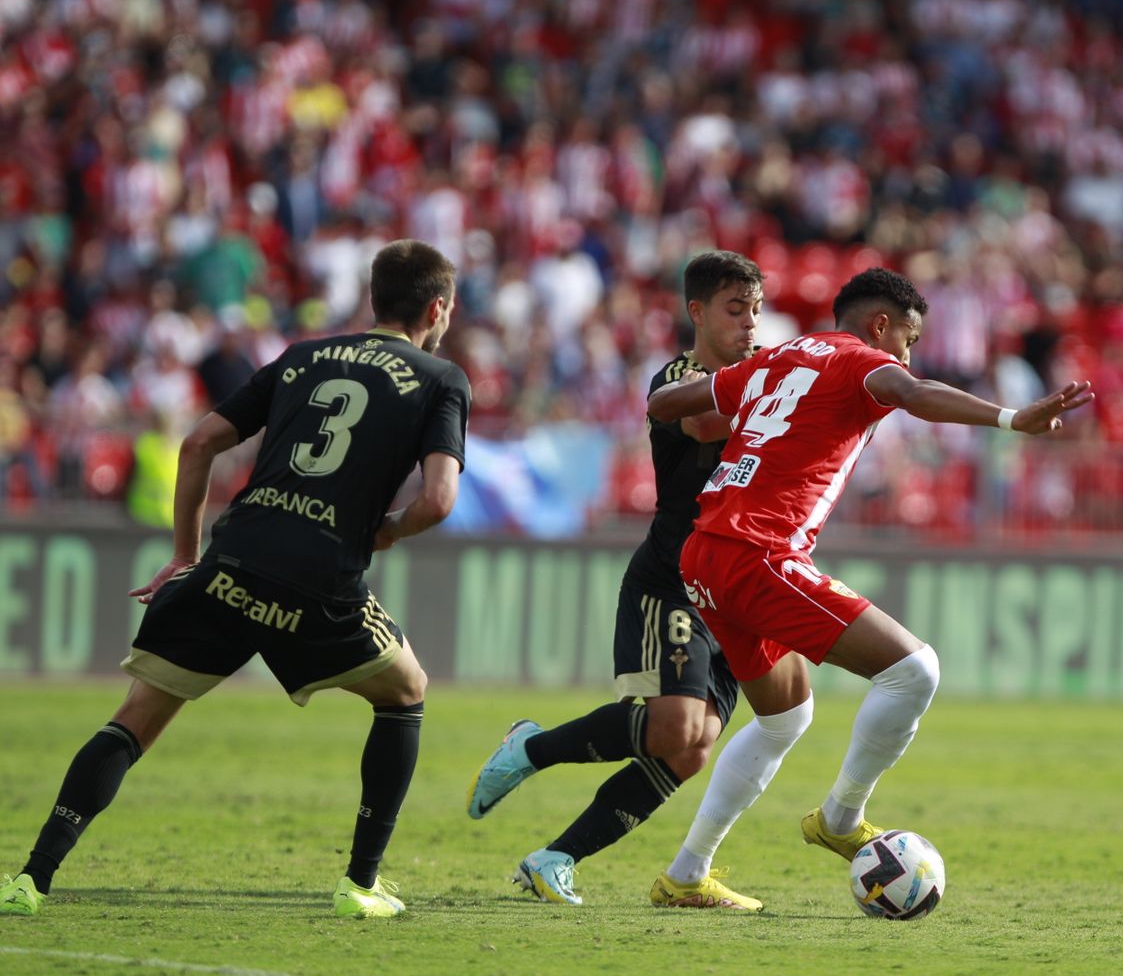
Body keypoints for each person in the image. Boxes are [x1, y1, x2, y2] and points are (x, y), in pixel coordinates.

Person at [0, 240, 471, 919]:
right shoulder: (441, 378)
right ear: (437, 308)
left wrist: (183, 555)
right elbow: (439, 500)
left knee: (134, 720)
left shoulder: (302, 356)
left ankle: (30, 879)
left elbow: (198, 443)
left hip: (233, 560)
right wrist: (390, 530)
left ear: (375, 299)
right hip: (319, 579)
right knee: (407, 691)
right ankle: (360, 883)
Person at [642, 268, 1093, 910]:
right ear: (881, 326)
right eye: (908, 339)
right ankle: (841, 819)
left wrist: (697, 404)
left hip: (704, 552)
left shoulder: (777, 358)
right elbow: (912, 391)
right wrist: (1010, 418)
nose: (906, 355)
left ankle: (686, 875)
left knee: (784, 717)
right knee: (915, 671)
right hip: (757, 551)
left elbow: (668, 406)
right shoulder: (860, 360)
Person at [465, 251, 763, 904]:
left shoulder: (767, 374)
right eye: (735, 310)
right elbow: (704, 422)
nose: (749, 323)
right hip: (675, 580)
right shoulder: (679, 378)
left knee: (691, 749)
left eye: (756, 311)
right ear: (697, 312)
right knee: (675, 728)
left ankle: (554, 858)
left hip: (739, 590)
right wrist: (784, 396)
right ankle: (532, 748)